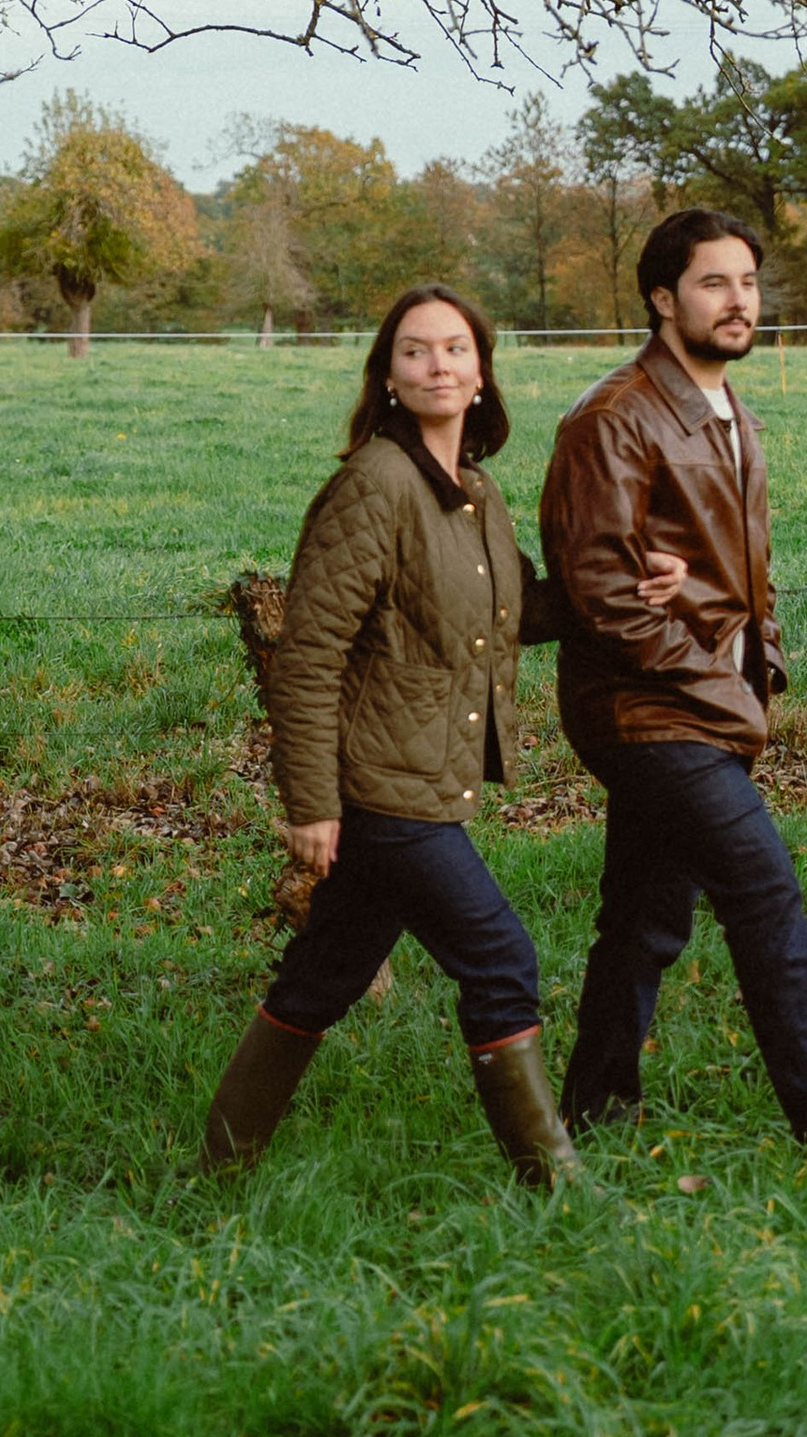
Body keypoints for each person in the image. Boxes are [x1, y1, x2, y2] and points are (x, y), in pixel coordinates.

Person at [202, 286, 682, 1181]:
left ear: (481, 374)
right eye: (416, 352)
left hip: (421, 775)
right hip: (383, 785)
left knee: (324, 973)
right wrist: (311, 804)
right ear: (388, 375)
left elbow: (520, 611)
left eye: (456, 350)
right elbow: (308, 659)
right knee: (501, 957)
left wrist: (629, 587)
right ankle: (555, 1184)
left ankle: (220, 1168)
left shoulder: (474, 492)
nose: (438, 366)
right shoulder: (372, 487)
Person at [540, 208, 807, 1154]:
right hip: (644, 706)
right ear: (662, 297)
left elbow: (731, 573)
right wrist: (717, 685)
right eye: (714, 283)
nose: (738, 301)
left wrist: (764, 662)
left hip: (707, 700)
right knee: (764, 892)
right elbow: (598, 595)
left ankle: (592, 1116)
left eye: (748, 282)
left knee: (643, 917)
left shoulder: (729, 411)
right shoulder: (613, 418)